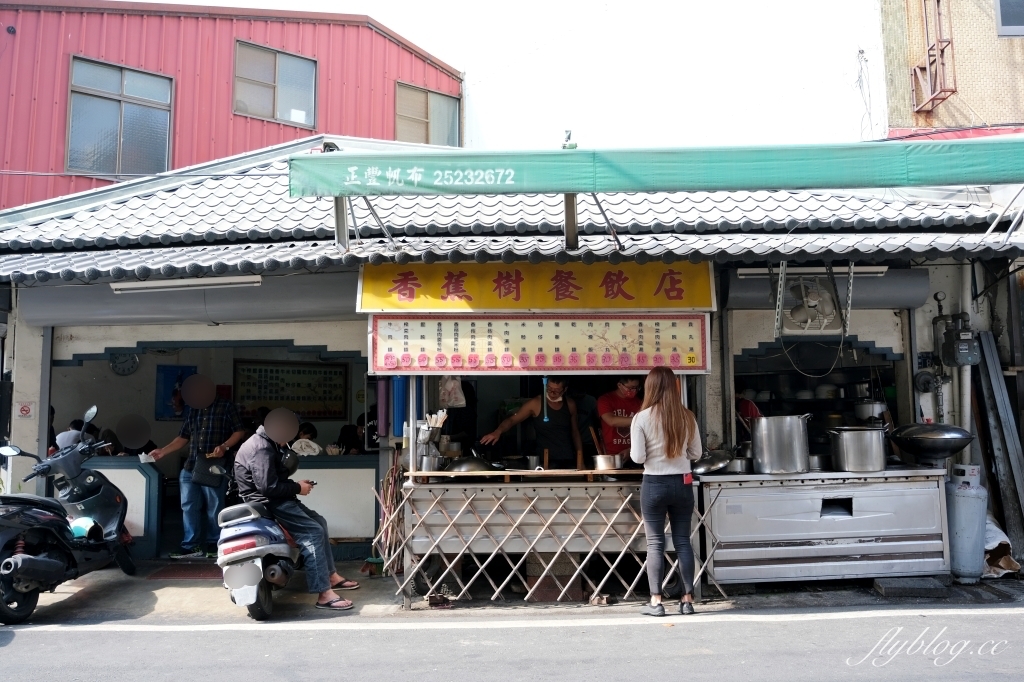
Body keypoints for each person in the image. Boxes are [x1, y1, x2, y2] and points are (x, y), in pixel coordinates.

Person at [234, 409, 360, 611]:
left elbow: (271, 481)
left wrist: (295, 485)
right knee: (312, 532)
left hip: (277, 498)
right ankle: (324, 594)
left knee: (319, 521)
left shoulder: (269, 443)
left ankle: (330, 575)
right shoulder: (261, 448)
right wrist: (298, 488)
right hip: (269, 502)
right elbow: (267, 488)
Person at [630, 366, 702, 617]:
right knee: (683, 541)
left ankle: (656, 602)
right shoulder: (687, 416)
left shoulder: (642, 417)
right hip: (682, 482)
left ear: (650, 387)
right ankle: (687, 600)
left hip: (654, 483)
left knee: (655, 543)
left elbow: (638, 457)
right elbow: (696, 454)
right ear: (674, 387)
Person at [151, 379, 246, 560]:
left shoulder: (226, 407)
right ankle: (191, 545)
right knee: (188, 506)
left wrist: (224, 447)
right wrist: (162, 451)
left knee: (214, 507)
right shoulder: (193, 410)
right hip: (191, 466)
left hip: (213, 465)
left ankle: (214, 543)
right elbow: (183, 437)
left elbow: (239, 431)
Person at [480, 377, 582, 469]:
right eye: (549, 389)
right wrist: (498, 431)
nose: (552, 393)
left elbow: (575, 432)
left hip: (568, 457)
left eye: (556, 391)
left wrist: (580, 460)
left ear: (564, 390)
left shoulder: (570, 404)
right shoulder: (535, 403)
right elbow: (512, 419)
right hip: (544, 459)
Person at [597, 377, 643, 460]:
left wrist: (630, 450)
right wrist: (640, 420)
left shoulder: (640, 403)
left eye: (637, 388)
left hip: (633, 453)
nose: (634, 391)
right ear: (619, 385)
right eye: (631, 388)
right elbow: (611, 421)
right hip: (610, 454)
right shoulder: (605, 400)